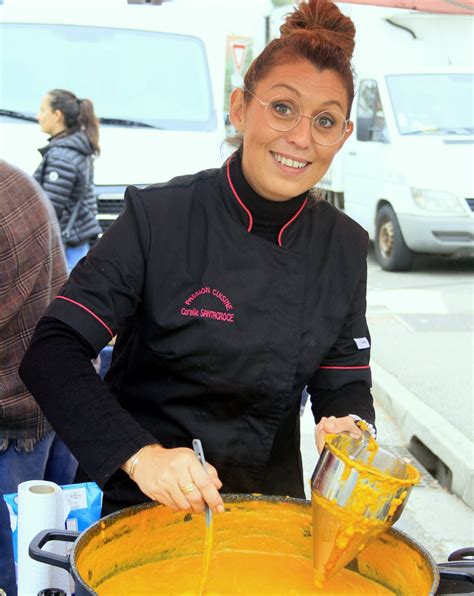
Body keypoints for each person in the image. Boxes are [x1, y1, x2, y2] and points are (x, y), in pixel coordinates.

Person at [20, 0, 376, 519]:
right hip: (144, 509)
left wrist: (349, 425)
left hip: (268, 511)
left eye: (325, 120)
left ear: (342, 136)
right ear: (239, 108)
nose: (301, 137)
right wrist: (143, 458)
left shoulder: (343, 246)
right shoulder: (158, 217)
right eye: (282, 107)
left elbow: (343, 380)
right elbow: (52, 351)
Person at [0, 161, 70, 595]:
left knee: (20, 568)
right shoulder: (15, 179)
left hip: (13, 424)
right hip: (55, 395)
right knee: (53, 558)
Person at [33, 89, 103, 271]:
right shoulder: (77, 148)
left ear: (57, 115)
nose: (38, 116)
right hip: (77, 242)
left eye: (42, 110)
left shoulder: (62, 156)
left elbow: (49, 209)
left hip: (66, 248)